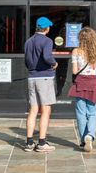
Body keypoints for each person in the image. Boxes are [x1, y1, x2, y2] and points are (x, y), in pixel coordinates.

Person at [68, 27, 96, 152]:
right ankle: (90, 135)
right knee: (92, 113)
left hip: (81, 82)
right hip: (93, 83)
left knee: (80, 113)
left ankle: (84, 139)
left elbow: (74, 71)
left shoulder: (76, 51)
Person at [23, 16, 58, 152]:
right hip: (44, 77)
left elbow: (26, 61)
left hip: (31, 77)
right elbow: (47, 57)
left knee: (33, 110)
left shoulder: (28, 41)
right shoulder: (47, 41)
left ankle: (29, 142)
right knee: (46, 110)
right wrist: (54, 63)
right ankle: (42, 143)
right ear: (46, 28)